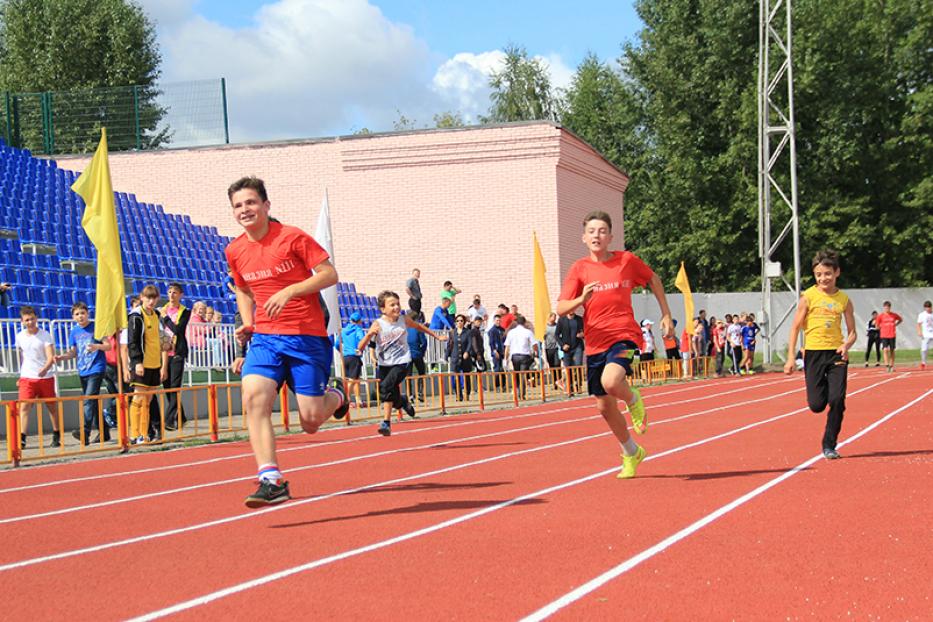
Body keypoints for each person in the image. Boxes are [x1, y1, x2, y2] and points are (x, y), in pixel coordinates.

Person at [225, 176, 349, 508]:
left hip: (306, 337)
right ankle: (271, 479)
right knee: (253, 398)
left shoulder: (292, 237)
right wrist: (248, 321)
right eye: (238, 205)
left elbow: (329, 274)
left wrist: (290, 290)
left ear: (266, 205)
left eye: (251, 202)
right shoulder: (235, 250)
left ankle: (337, 395)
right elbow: (240, 287)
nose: (245, 209)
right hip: (265, 338)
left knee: (310, 421)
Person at [557, 210, 674, 480]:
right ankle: (631, 452)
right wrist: (581, 299)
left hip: (625, 335)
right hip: (595, 342)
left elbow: (654, 279)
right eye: (592, 231)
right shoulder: (579, 269)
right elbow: (561, 307)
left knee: (612, 382)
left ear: (610, 236)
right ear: (584, 237)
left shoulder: (627, 261)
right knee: (604, 406)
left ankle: (634, 399)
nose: (597, 236)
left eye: (602, 231)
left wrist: (665, 313)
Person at [784, 249, 856, 460]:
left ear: (837, 273)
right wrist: (790, 358)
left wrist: (846, 345)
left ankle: (829, 444)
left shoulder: (844, 299)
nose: (823, 278)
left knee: (837, 400)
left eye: (827, 274)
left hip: (836, 354)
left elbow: (852, 332)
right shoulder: (808, 297)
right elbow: (795, 328)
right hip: (814, 354)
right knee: (816, 405)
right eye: (819, 275)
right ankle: (822, 386)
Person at [356, 290, 446, 436]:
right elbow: (360, 347)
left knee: (385, 387)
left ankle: (387, 420)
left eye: (397, 304)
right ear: (383, 309)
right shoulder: (378, 324)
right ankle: (399, 405)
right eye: (392, 305)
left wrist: (437, 336)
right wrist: (369, 334)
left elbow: (419, 327)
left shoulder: (404, 320)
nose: (396, 307)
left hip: (402, 362)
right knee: (388, 392)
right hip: (385, 364)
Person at [55, 302, 112, 445]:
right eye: (77, 314)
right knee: (93, 402)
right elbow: (74, 352)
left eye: (82, 313)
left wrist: (96, 346)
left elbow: (108, 345)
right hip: (83, 369)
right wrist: (63, 357)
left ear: (88, 314)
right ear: (73, 317)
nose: (80, 316)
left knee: (88, 399)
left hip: (97, 368)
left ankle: (85, 432)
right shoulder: (74, 331)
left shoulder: (96, 328)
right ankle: (104, 431)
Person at [127, 285, 169, 446]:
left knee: (149, 400)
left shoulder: (157, 314)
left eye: (154, 298)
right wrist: (136, 361)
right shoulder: (136, 316)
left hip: (154, 363)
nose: (151, 301)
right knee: (138, 397)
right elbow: (133, 342)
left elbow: (161, 336)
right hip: (141, 364)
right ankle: (134, 434)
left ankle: (144, 434)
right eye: (148, 297)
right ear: (141, 297)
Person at [15, 306, 61, 449]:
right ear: (22, 321)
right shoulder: (20, 336)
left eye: (32, 319)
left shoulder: (45, 335)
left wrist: (45, 368)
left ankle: (56, 433)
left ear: (36, 319)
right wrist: (21, 375)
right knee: (24, 407)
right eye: (27, 320)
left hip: (45, 377)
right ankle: (22, 437)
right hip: (27, 377)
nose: (30, 322)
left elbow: (50, 356)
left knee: (51, 406)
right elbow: (24, 356)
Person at [160, 283, 191, 431]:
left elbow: (178, 329)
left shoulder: (185, 311)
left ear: (181, 295)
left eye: (175, 292)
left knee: (174, 387)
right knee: (167, 387)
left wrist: (166, 318)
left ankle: (168, 419)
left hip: (178, 352)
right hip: (164, 352)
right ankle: (181, 417)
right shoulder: (162, 310)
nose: (172, 295)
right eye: (170, 292)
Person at [503, 314, 538, 400]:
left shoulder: (511, 332)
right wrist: (535, 352)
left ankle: (517, 390)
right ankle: (522, 393)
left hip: (514, 355)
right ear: (524, 322)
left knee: (517, 373)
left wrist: (505, 358)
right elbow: (534, 344)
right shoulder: (528, 332)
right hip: (525, 355)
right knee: (523, 374)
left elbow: (507, 346)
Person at [447, 314, 475, 401]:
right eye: (458, 321)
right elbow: (449, 345)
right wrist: (446, 356)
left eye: (461, 321)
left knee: (466, 376)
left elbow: (470, 343)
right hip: (455, 357)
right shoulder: (452, 332)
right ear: (455, 322)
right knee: (456, 377)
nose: (459, 322)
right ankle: (458, 395)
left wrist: (467, 351)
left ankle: (467, 393)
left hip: (465, 357)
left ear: (464, 322)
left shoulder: (468, 332)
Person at [340, 312, 366, 407]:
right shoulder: (358, 329)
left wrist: (342, 351)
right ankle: (346, 399)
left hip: (345, 357)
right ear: (359, 321)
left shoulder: (343, 330)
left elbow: (337, 344)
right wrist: (360, 349)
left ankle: (358, 400)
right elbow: (362, 339)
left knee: (355, 379)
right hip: (354, 356)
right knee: (352, 380)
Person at [556, 310, 584, 394]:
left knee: (578, 365)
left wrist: (583, 334)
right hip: (567, 348)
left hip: (578, 345)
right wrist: (562, 345)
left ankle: (578, 385)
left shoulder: (579, 319)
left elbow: (586, 330)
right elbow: (557, 335)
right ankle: (569, 386)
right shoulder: (562, 320)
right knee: (568, 367)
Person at [406, 311, 428, 402]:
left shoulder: (405, 328)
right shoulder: (418, 328)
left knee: (408, 375)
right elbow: (424, 342)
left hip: (407, 355)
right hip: (417, 353)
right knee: (421, 372)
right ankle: (420, 392)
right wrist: (422, 352)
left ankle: (409, 395)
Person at [876, 301, 903, 372]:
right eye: (885, 307)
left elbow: (900, 319)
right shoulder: (880, 316)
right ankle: (887, 365)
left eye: (888, 307)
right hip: (884, 335)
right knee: (885, 350)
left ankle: (891, 365)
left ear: (890, 308)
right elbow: (877, 326)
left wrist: (896, 324)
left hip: (892, 335)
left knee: (892, 350)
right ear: (884, 308)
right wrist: (881, 327)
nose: (887, 309)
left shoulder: (894, 315)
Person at [487, 314, 506, 391]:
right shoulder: (492, 331)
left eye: (499, 320)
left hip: (502, 351)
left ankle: (503, 385)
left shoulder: (502, 329)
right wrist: (494, 351)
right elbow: (491, 342)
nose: (498, 322)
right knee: (497, 369)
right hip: (496, 352)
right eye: (497, 320)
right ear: (494, 321)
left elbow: (504, 340)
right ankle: (497, 386)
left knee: (502, 369)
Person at [543, 313, 560, 388]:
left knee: (557, 364)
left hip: (556, 347)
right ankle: (554, 381)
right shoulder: (545, 327)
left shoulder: (557, 326)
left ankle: (559, 380)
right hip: (548, 348)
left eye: (555, 317)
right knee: (552, 366)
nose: (554, 319)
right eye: (553, 317)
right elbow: (543, 336)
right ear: (549, 318)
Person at [917, 300, 933, 371]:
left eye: (929, 307)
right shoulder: (921, 315)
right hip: (926, 334)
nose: (928, 309)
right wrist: (919, 331)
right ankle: (923, 362)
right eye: (926, 307)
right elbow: (918, 324)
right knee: (924, 349)